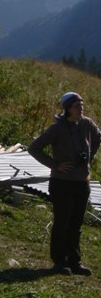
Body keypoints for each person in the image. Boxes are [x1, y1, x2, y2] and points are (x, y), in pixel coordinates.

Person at [28, 91, 100, 276]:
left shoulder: (86, 124)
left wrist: (89, 157)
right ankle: (59, 262)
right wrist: (55, 165)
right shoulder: (57, 128)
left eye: (82, 105)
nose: (81, 108)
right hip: (62, 182)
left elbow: (98, 137)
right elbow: (34, 148)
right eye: (77, 106)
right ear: (67, 109)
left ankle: (75, 262)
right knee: (62, 222)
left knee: (76, 224)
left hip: (82, 182)